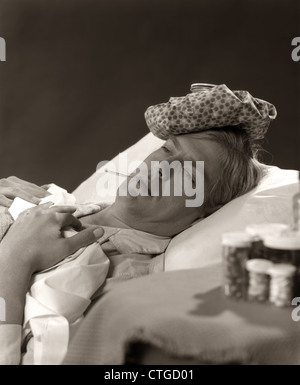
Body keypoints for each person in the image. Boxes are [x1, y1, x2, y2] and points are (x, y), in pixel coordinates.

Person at [0, 126, 265, 365]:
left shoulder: (127, 281)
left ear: (207, 211)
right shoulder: (53, 202)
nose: (162, 167)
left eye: (188, 174)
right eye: (167, 149)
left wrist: (13, 260)